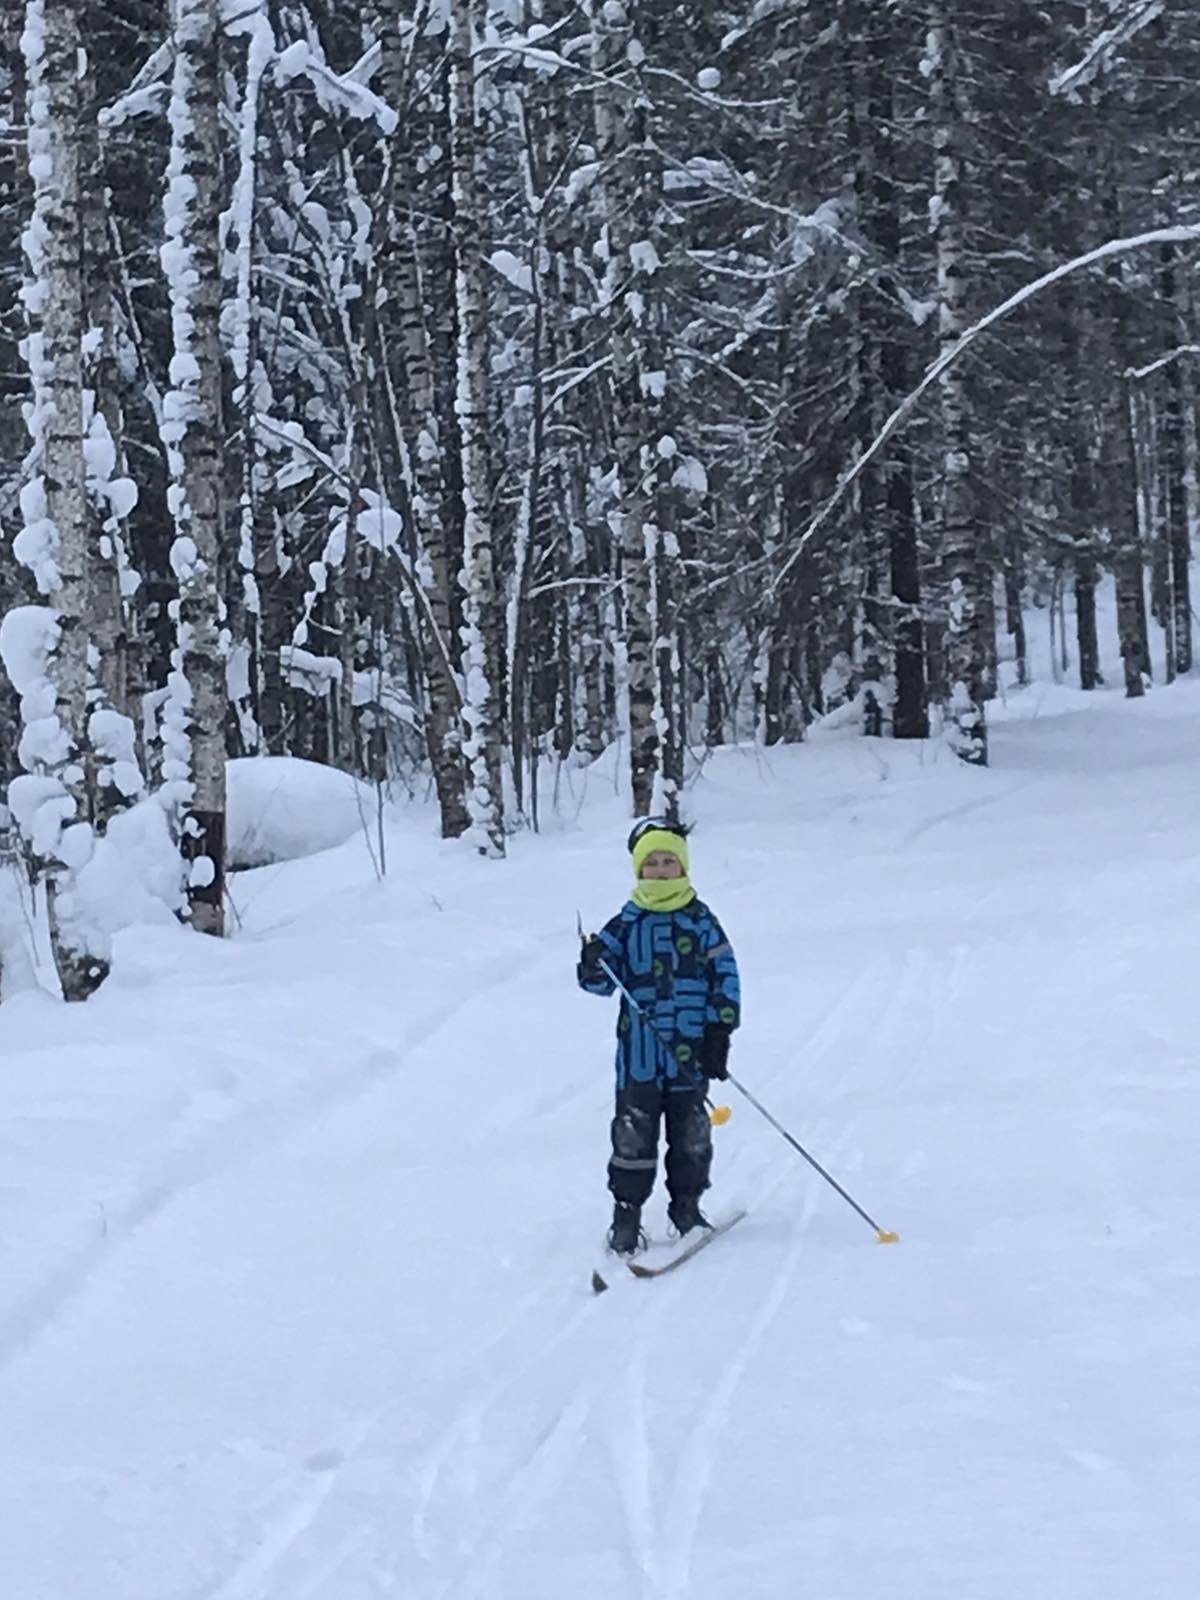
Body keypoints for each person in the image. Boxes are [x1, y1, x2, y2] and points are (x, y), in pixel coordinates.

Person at [578, 819, 741, 1255]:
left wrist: (719, 1030)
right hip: (640, 1058)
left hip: (690, 1053)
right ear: (639, 869)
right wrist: (592, 963)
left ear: (683, 867)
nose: (662, 868)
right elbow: (599, 984)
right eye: (652, 862)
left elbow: (725, 975)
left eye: (669, 860)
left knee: (691, 1136)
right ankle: (626, 1213)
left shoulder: (701, 920)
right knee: (634, 1136)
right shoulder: (626, 923)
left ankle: (686, 1207)